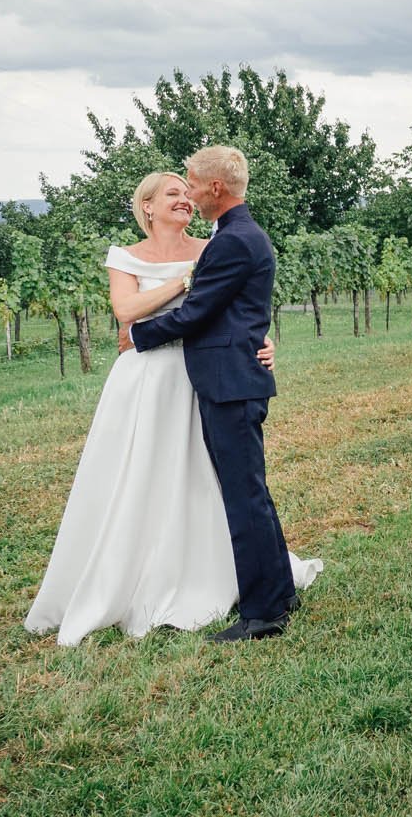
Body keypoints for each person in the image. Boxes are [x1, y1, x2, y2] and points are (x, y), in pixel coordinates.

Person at [24, 167, 320, 646]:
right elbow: (125, 310)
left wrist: (259, 340)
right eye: (173, 193)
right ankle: (143, 574)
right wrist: (184, 284)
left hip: (199, 373)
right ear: (147, 206)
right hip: (146, 379)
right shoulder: (125, 256)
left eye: (188, 192)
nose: (184, 199)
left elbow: (226, 303)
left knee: (208, 481)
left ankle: (229, 583)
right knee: (143, 475)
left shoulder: (214, 246)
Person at [121, 146, 302, 642]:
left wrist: (138, 337)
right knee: (251, 493)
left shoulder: (233, 240)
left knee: (243, 497)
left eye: (193, 183)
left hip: (229, 383)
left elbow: (196, 311)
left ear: (215, 189)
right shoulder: (236, 235)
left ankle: (263, 614)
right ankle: (280, 592)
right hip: (233, 377)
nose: (190, 190)